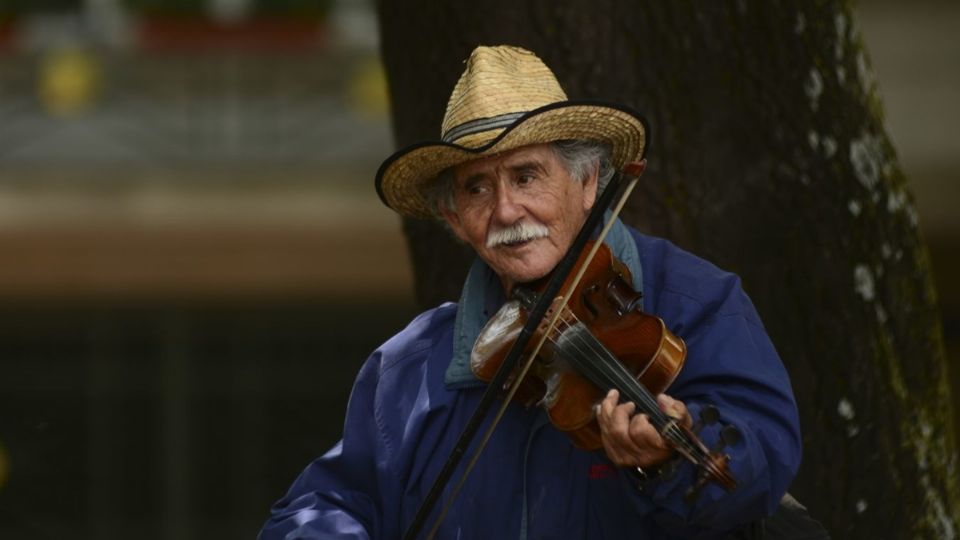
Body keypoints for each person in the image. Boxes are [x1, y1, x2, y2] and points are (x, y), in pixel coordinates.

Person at [260, 45, 822, 540]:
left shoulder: (696, 305)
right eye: (478, 188)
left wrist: (668, 461)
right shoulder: (410, 367)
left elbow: (760, 464)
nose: (507, 210)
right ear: (456, 220)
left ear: (587, 182)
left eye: (526, 176)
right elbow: (331, 502)